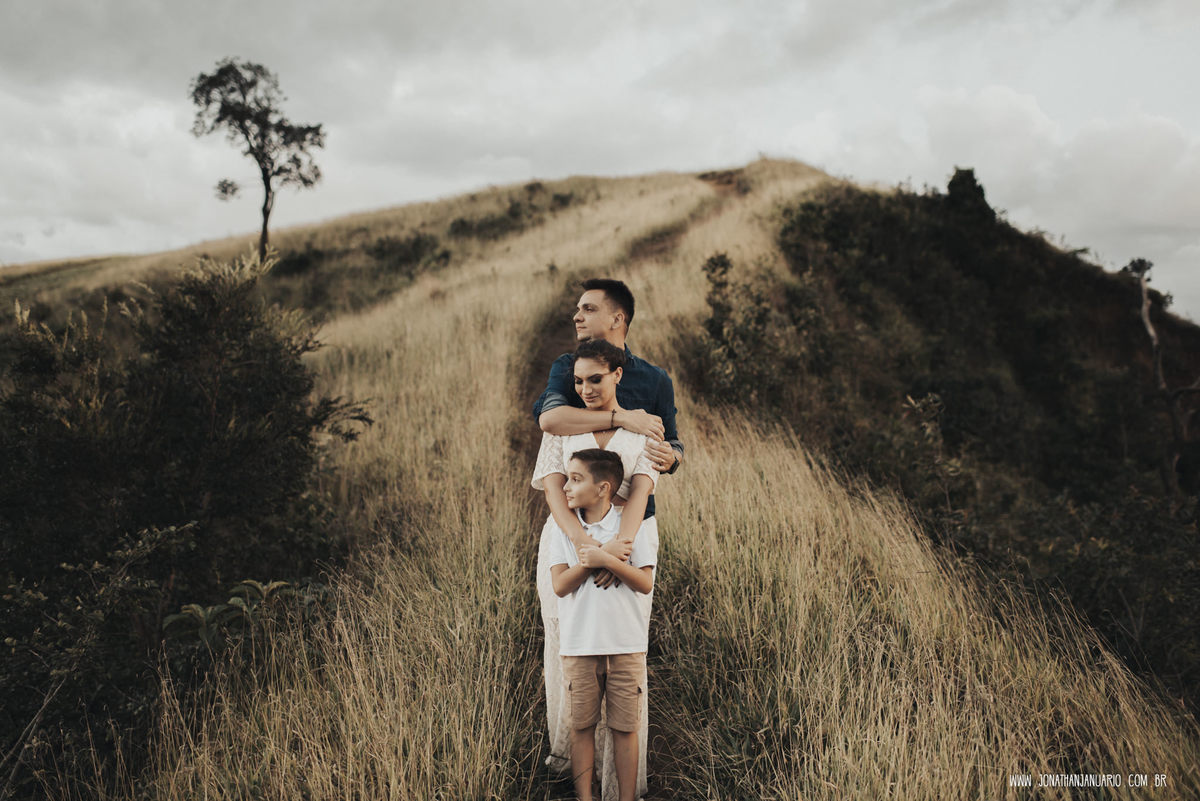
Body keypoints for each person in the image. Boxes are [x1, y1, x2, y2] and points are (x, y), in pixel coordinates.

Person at [532, 338, 659, 799]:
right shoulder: (562, 428)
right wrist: (586, 546)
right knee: (569, 640)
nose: (585, 388)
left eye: (596, 379)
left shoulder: (642, 432)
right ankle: (574, 768)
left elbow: (640, 495)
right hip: (570, 539)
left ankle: (623, 785)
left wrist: (616, 551)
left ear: (618, 375)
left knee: (624, 653)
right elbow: (552, 493)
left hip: (626, 537)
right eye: (578, 380)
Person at [547, 448, 657, 801]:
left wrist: (606, 557)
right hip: (580, 646)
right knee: (581, 727)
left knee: (625, 729)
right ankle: (585, 797)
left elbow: (644, 582)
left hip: (626, 645)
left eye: (576, 479)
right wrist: (594, 560)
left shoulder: (632, 525)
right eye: (567, 478)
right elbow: (561, 586)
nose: (566, 486)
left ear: (604, 488)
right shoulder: (563, 530)